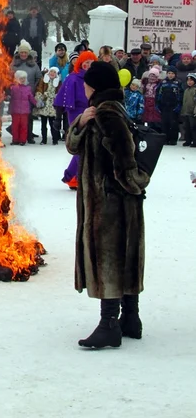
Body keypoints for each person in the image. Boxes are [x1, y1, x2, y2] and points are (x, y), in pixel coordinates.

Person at [66, 61, 149, 349]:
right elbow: (73, 146)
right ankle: (131, 318)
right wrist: (81, 122)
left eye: (88, 83)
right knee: (123, 255)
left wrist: (133, 185)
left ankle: (109, 323)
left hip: (109, 203)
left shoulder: (107, 113)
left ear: (96, 85)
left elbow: (124, 159)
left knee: (109, 258)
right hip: (118, 201)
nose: (84, 86)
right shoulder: (103, 111)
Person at [54, 50, 97, 188]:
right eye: (86, 63)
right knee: (81, 144)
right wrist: (58, 116)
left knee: (86, 144)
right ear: (81, 63)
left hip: (91, 111)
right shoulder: (73, 77)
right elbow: (62, 97)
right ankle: (76, 176)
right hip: (76, 113)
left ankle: (72, 176)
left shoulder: (96, 77)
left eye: (92, 63)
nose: (89, 65)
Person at [10, 40, 42, 143]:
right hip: (16, 94)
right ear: (19, 53)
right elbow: (8, 77)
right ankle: (16, 137)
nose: (23, 54)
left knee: (29, 117)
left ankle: (29, 136)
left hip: (29, 93)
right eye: (22, 52)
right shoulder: (14, 64)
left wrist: (33, 87)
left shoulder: (34, 65)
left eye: (25, 52)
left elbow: (39, 77)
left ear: (28, 53)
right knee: (16, 117)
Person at [155, 66, 183, 145]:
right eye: (169, 73)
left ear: (175, 74)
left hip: (174, 107)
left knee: (173, 123)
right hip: (164, 106)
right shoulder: (163, 82)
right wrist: (157, 104)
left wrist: (179, 105)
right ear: (167, 74)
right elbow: (158, 93)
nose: (170, 75)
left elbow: (181, 95)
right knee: (164, 123)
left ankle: (173, 139)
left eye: (172, 73)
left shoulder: (178, 83)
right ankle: (165, 139)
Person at [33, 66, 61, 145]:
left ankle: (55, 140)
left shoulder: (58, 82)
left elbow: (60, 92)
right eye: (51, 72)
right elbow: (39, 89)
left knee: (53, 124)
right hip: (45, 105)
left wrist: (56, 97)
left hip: (53, 105)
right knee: (43, 124)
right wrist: (40, 97)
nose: (52, 73)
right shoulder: (44, 80)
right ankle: (44, 140)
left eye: (54, 72)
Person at [9, 70, 37, 145]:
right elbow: (9, 96)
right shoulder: (13, 88)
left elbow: (31, 98)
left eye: (24, 78)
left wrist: (36, 103)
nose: (23, 80)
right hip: (15, 110)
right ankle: (15, 140)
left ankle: (22, 140)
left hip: (25, 111)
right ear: (17, 78)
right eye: (21, 78)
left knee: (24, 126)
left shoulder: (28, 88)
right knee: (15, 126)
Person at [181, 73, 196, 147]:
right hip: (186, 112)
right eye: (188, 80)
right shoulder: (186, 90)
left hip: (193, 112)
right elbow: (184, 101)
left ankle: (195, 141)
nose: (189, 82)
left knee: (193, 127)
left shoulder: (195, 90)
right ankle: (188, 140)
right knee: (187, 127)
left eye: (191, 80)